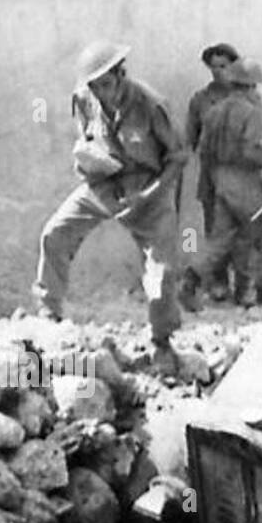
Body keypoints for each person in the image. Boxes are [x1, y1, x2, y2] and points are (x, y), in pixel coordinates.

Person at [33, 40, 187, 373]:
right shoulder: (84, 98)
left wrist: (149, 196)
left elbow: (178, 157)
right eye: (94, 86)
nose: (100, 93)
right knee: (55, 235)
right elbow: (86, 138)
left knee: (160, 276)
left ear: (120, 75)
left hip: (148, 189)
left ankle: (162, 343)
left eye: (105, 84)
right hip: (103, 185)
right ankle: (49, 313)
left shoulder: (150, 105)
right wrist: (89, 161)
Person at [196, 56, 262, 308]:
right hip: (245, 178)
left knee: (221, 239)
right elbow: (250, 152)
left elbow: (203, 148)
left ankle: (191, 279)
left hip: (219, 179)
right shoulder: (252, 113)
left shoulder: (214, 111)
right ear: (250, 87)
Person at [180, 42, 239, 309]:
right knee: (215, 228)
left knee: (238, 231)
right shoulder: (200, 100)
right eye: (213, 67)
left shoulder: (245, 96)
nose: (218, 72)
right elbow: (190, 139)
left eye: (223, 66)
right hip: (212, 173)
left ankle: (242, 284)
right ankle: (217, 283)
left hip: (241, 172)